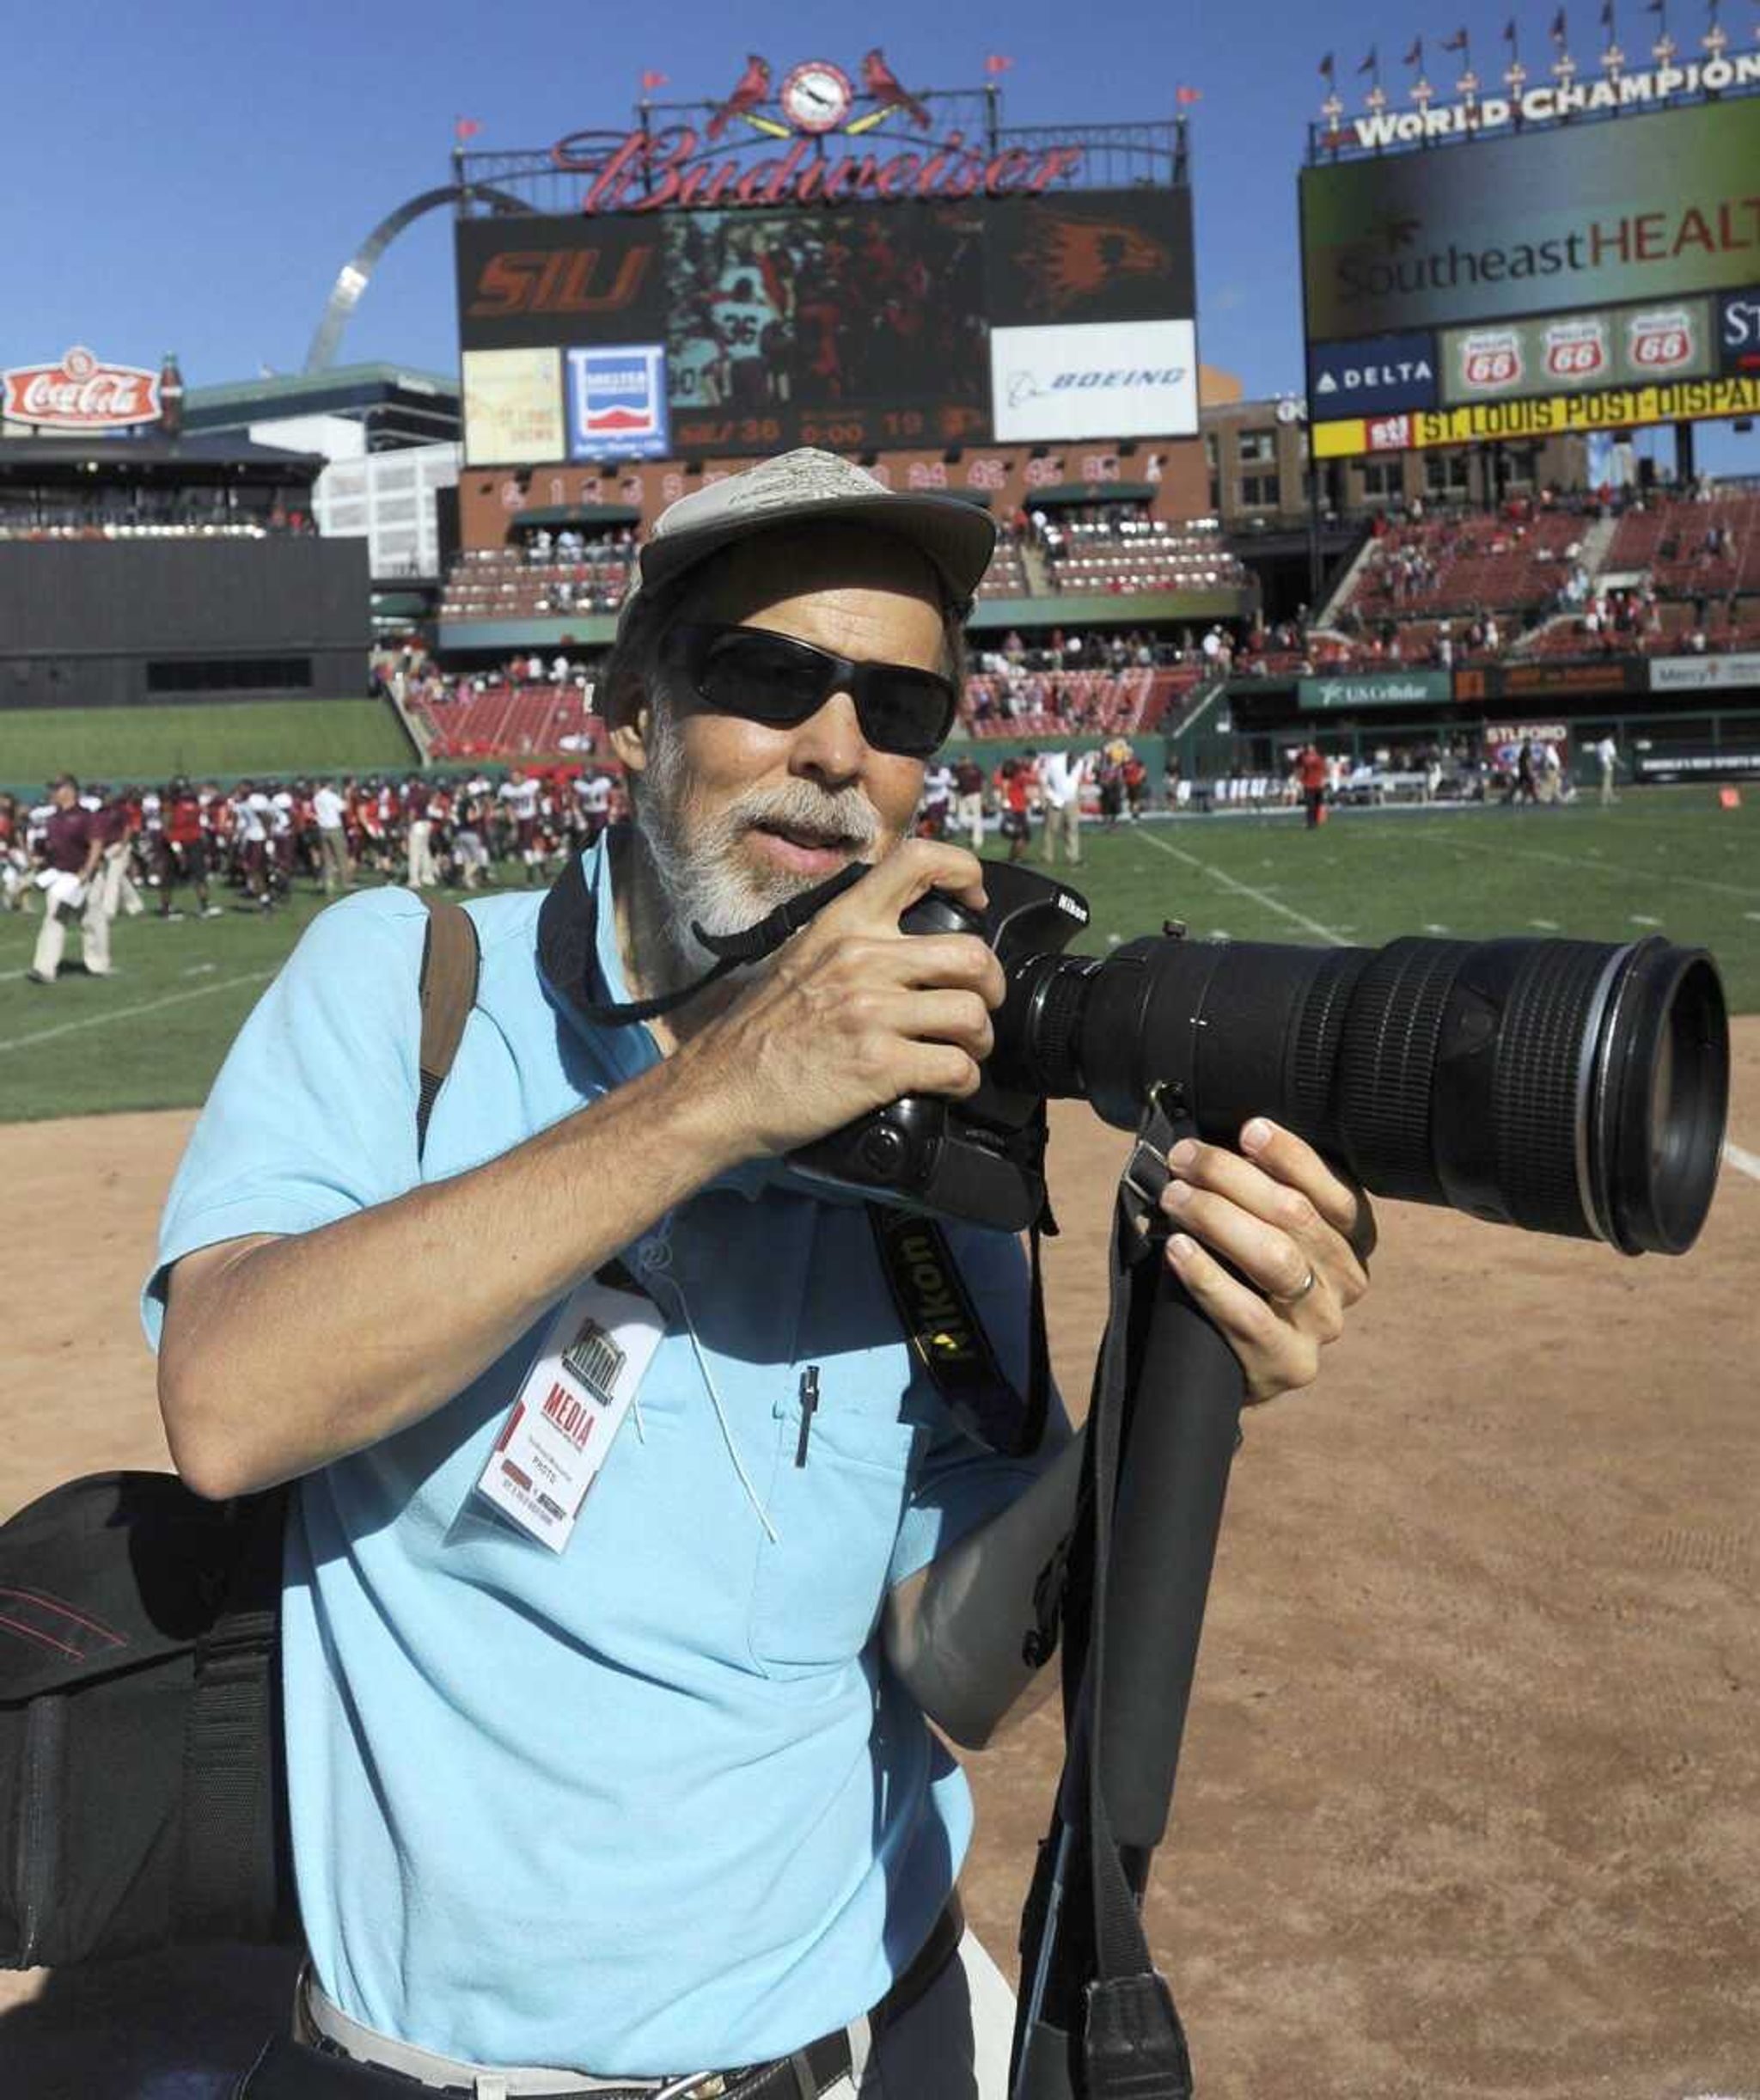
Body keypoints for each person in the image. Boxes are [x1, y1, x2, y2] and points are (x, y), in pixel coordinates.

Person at [147, 450, 1371, 2099]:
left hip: (873, 2042)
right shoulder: (409, 986)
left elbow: (951, 1670)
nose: (836, 750)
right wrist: (725, 1094)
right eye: (770, 675)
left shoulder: (940, 1123)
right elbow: (225, 1402)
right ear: (629, 706)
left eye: (899, 705)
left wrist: (1168, 1379)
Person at [27, 774, 108, 983]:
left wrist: (87, 871)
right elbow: (53, 847)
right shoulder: (53, 818)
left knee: (91, 921)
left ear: (69, 790)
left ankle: (98, 964)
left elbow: (96, 844)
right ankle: (44, 969)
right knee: (54, 920)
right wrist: (42, 861)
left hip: (85, 876)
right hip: (62, 878)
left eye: (56, 788)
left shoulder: (86, 816)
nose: (51, 793)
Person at [1036, 744, 1087, 867]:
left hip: (1071, 800)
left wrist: (1079, 799)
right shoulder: (1054, 761)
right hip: (1055, 800)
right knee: (1051, 829)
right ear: (1069, 756)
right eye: (1074, 759)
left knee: (1072, 829)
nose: (1076, 762)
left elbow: (1078, 781)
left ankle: (1073, 857)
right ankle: (1047, 857)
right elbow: (1043, 779)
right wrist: (1043, 799)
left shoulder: (1079, 763)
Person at [1297, 743, 1329, 830]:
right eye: (1309, 747)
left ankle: (1315, 822)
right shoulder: (1305, 757)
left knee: (1317, 805)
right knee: (1310, 805)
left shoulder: (1317, 758)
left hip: (1318, 784)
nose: (1310, 749)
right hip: (1309, 784)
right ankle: (1310, 823)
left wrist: (1324, 780)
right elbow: (1300, 763)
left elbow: (1324, 770)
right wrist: (1300, 754)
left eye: (1311, 747)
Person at [1593, 733, 1620, 808]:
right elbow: (1612, 757)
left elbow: (1596, 754)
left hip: (1601, 764)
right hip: (1607, 765)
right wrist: (1621, 764)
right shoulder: (1610, 745)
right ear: (1611, 738)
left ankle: (1611, 798)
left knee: (1608, 782)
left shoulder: (1600, 744)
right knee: (1607, 783)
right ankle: (1604, 799)